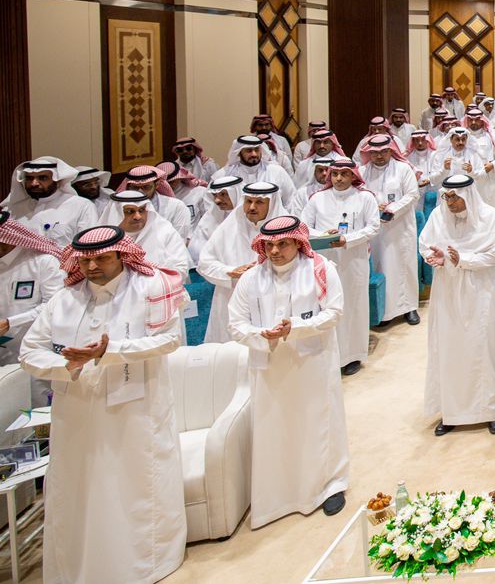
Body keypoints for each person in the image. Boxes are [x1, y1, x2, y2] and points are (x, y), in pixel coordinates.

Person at [21, 226, 186, 584]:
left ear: (122, 255)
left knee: (135, 487)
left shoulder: (152, 289)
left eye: (102, 258)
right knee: (79, 490)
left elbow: (169, 340)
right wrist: (67, 365)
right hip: (77, 415)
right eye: (85, 260)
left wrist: (111, 352)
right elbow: (29, 351)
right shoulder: (63, 299)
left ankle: (145, 565)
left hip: (136, 413)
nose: (92, 266)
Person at [227, 215, 350, 523]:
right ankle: (280, 494)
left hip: (312, 363)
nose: (274, 251)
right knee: (276, 428)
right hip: (269, 367)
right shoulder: (250, 278)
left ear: (298, 242)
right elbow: (235, 323)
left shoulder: (321, 269)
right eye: (269, 245)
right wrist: (262, 335)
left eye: (282, 244)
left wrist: (295, 328)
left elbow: (334, 313)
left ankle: (330, 485)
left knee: (317, 424)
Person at [420, 175, 495, 435]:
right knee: (449, 348)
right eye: (447, 197)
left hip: (482, 293)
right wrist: (434, 257)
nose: (450, 202)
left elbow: (494, 254)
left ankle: (491, 410)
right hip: (447, 292)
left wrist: (462, 260)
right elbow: (425, 244)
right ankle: (451, 412)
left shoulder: (489, 217)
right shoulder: (438, 216)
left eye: (455, 197)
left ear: (468, 195)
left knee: (485, 348)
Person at [300, 158, 380, 375]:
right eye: (335, 174)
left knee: (354, 305)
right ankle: (327, 355)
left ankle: (353, 355)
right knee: (325, 306)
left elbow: (373, 227)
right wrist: (323, 235)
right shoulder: (317, 198)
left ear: (353, 176)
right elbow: (304, 226)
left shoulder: (365, 197)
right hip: (324, 261)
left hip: (354, 260)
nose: (339, 178)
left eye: (344, 174)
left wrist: (347, 240)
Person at [199, 181, 282, 343]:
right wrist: (229, 271)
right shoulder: (229, 226)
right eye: (248, 201)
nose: (252, 207)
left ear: (272, 204)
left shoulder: (285, 229)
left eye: (259, 202)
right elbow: (204, 262)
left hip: (273, 297)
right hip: (231, 295)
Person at [360, 134, 422, 325]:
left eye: (384, 152)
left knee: (405, 266)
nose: (379, 156)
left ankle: (409, 307)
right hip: (376, 230)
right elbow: (360, 195)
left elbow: (413, 195)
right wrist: (374, 207)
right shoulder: (362, 171)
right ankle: (384, 311)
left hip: (400, 227)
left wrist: (391, 208)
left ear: (391, 150)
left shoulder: (403, 169)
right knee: (382, 267)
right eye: (375, 153)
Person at [0, 210, 64, 383]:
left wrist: (10, 322)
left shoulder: (43, 261)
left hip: (38, 352)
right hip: (4, 356)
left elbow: (54, 306)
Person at [3, 157, 99, 249]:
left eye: (43, 178)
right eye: (29, 178)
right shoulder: (12, 209)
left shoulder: (81, 206)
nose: (34, 183)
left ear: (58, 180)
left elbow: (88, 246)